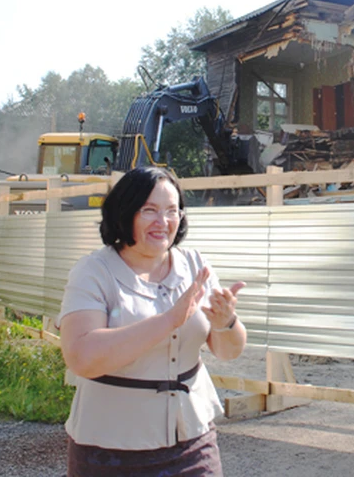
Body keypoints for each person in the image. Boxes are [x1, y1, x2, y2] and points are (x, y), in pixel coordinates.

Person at [59, 166, 247, 477]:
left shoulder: (195, 265)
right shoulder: (93, 272)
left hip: (192, 442)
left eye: (172, 211)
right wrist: (169, 320)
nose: (163, 222)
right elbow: (83, 358)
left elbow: (229, 352)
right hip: (110, 449)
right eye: (150, 211)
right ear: (126, 212)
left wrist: (226, 323)